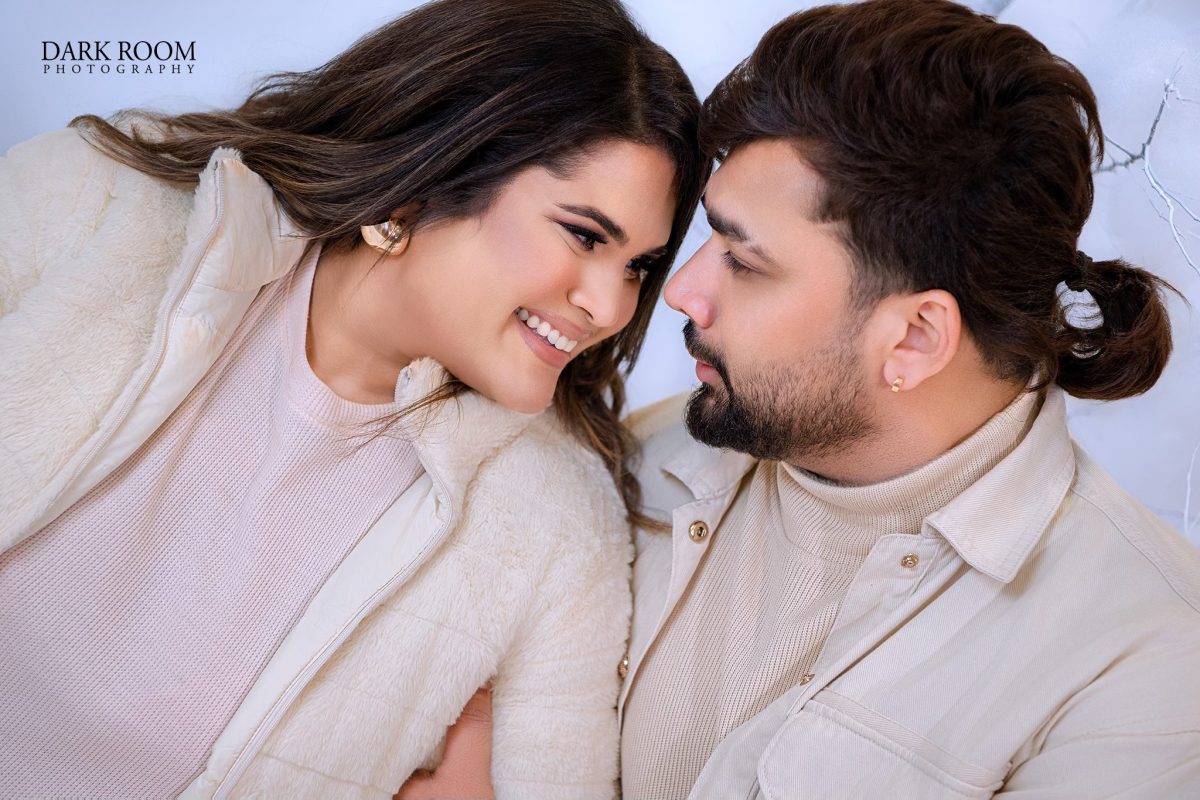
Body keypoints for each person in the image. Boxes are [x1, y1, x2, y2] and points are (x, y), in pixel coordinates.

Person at [0, 0, 704, 797]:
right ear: (429, 178)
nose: (611, 308)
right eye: (583, 234)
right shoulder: (98, 208)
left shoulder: (553, 526)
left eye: (637, 267)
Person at [614, 1, 1200, 797]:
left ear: (916, 338)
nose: (682, 291)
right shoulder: (627, 461)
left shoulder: (1146, 662)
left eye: (744, 263)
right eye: (707, 238)